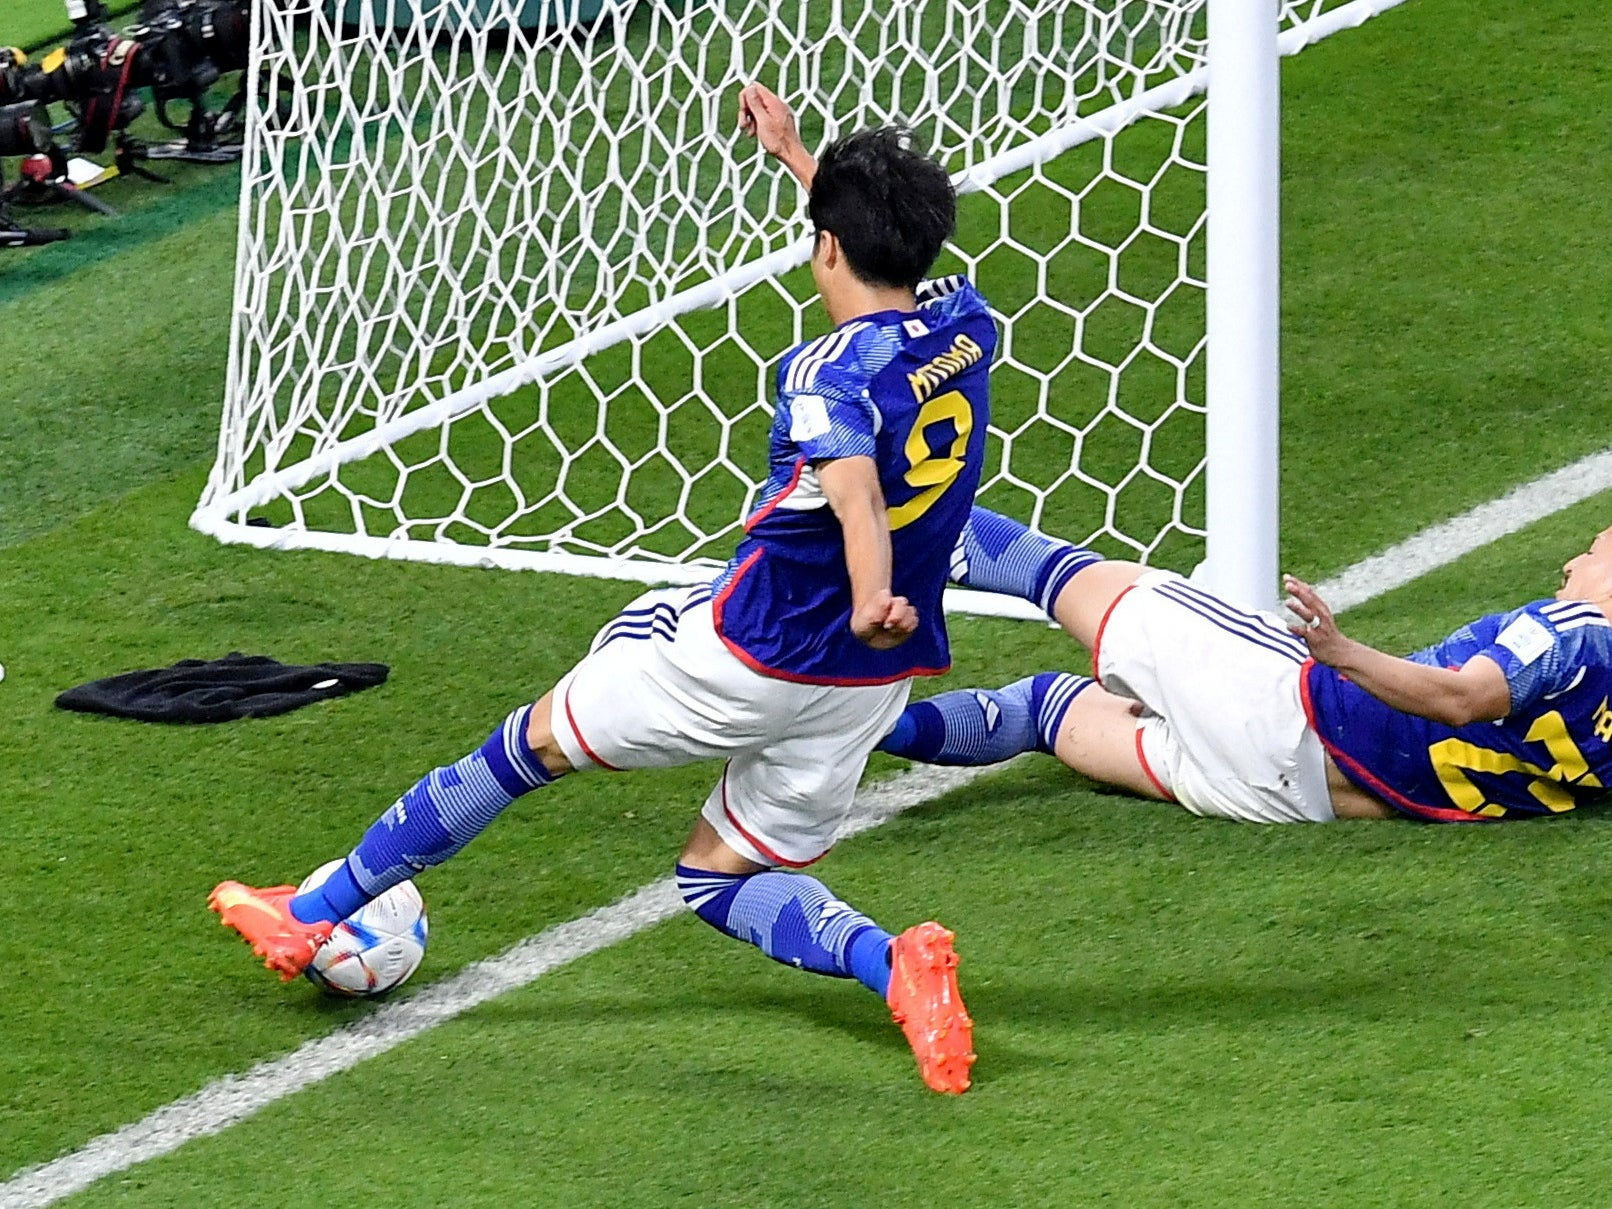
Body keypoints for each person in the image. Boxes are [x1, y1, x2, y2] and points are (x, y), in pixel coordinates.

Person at [209, 84, 995, 1095]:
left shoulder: (821, 377)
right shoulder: (968, 323)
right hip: (872, 683)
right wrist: (800, 161)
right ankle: (897, 968)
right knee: (720, 876)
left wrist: (867, 593)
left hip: (754, 654)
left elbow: (851, 497)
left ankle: (314, 910)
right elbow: (883, 270)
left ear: (827, 250)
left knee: (529, 742)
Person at [877, 506, 1612, 824]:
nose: (1575, 557)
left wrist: (1341, 652)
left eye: (1596, 546)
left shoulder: (1572, 630)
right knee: (1044, 711)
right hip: (1298, 798)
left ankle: (845, 544)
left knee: (1055, 575)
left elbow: (1461, 698)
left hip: (1284, 702)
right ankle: (852, 731)